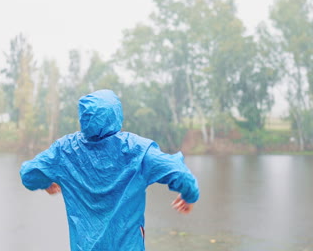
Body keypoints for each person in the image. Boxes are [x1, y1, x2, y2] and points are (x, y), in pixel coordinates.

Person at [20, 89, 200, 251]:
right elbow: (178, 171)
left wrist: (47, 183)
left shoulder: (65, 150)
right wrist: (189, 196)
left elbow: (29, 174)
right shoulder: (136, 150)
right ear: (116, 115)